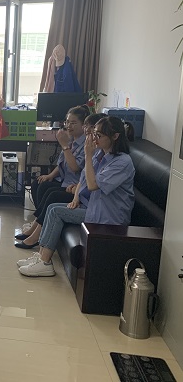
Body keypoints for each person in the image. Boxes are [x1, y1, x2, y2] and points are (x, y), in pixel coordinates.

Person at [18, 116, 135, 277]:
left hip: (108, 217)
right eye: (94, 134)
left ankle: (45, 263)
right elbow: (83, 178)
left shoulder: (122, 162)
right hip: (92, 208)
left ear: (115, 136)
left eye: (99, 135)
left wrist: (88, 156)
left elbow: (93, 184)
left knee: (56, 212)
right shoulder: (100, 154)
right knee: (53, 207)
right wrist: (76, 198)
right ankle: (41, 256)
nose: (94, 139)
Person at [15, 112, 105, 249]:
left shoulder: (91, 149)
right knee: (40, 184)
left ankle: (37, 234)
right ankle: (38, 227)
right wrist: (50, 175)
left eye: (73, 123)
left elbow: (77, 169)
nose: (69, 126)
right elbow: (64, 165)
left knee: (52, 195)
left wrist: (64, 145)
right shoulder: (76, 141)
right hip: (72, 185)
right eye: (67, 122)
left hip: (76, 188)